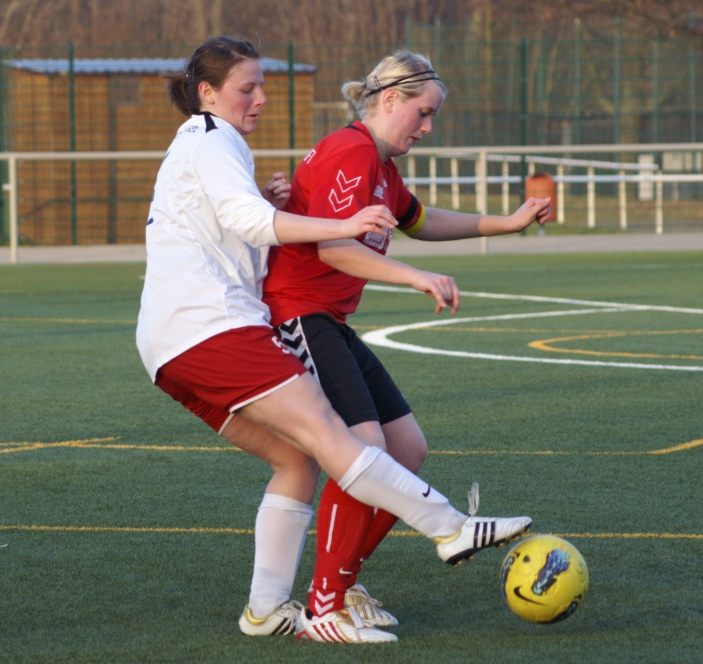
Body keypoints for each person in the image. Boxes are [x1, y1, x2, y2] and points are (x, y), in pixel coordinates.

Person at [135, 36, 532, 645]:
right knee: (337, 438)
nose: (262, 99)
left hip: (186, 336)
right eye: (249, 87)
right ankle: (432, 536)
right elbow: (291, 235)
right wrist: (349, 230)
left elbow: (242, 224)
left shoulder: (222, 146)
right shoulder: (219, 139)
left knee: (303, 458)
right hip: (217, 325)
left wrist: (502, 223)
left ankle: (268, 610)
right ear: (208, 94)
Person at [260, 50, 552, 633]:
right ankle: (326, 604)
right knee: (364, 447)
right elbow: (335, 247)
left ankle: (339, 584)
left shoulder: (381, 168)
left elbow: (423, 221)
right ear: (389, 99)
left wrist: (507, 222)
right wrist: (416, 277)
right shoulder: (352, 149)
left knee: (406, 448)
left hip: (330, 321)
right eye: (422, 113)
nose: (426, 127)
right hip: (300, 316)